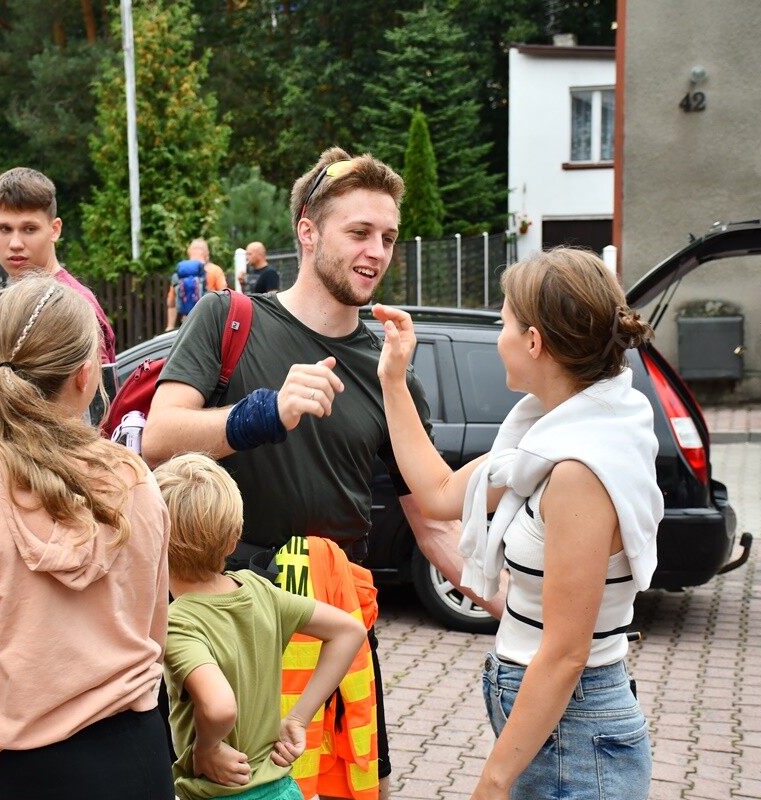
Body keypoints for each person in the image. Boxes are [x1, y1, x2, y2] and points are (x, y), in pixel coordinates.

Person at [144, 147, 504, 800]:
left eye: (389, 237)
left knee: (366, 784)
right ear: (308, 231)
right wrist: (264, 413)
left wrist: (528, 611)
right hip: (236, 620)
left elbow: (434, 526)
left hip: (339, 621)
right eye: (359, 232)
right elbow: (159, 439)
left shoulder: (385, 365)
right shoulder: (229, 318)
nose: (377, 251)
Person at [374, 247, 663, 800]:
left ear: (534, 342)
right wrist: (394, 378)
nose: (498, 334)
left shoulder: (580, 469)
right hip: (556, 729)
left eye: (503, 320)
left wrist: (492, 782)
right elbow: (437, 494)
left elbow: (566, 652)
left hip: (576, 740)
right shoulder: (547, 439)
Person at [0, 277, 172, 800]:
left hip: (31, 774)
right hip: (141, 759)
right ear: (87, 376)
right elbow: (153, 633)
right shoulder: (137, 484)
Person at [155, 453, 366, 800]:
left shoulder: (178, 623)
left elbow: (220, 706)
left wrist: (207, 748)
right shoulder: (259, 590)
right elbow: (349, 631)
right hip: (282, 789)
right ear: (234, 536)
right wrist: (297, 719)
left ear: (156, 538)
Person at [0, 167, 116, 368]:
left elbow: (95, 395)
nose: (15, 243)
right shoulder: (8, 302)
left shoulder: (71, 305)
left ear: (55, 230)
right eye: (5, 229)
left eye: (29, 229)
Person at [166, 238, 228, 331]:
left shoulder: (181, 273)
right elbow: (225, 297)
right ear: (206, 254)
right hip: (209, 322)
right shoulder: (215, 270)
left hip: (187, 323)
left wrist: (170, 326)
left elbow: (171, 303)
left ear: (188, 252)